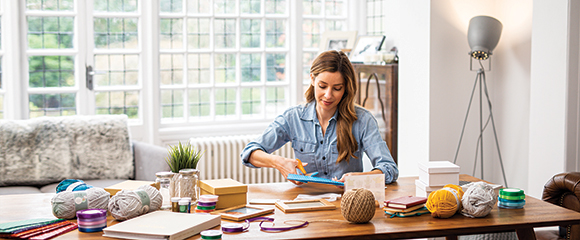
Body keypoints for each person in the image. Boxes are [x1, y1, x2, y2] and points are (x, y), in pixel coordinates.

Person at [240, 50, 398, 185]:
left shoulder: (363, 121)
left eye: (337, 88)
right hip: (306, 206)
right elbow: (250, 153)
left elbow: (389, 168)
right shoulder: (293, 117)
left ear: (346, 89)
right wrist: (280, 163)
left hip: (347, 206)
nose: (328, 95)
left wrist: (361, 179)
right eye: (322, 86)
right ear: (312, 80)